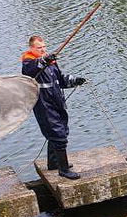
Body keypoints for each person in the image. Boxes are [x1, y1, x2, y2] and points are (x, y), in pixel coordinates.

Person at [21, 35, 86, 180]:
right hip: (44, 105)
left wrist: (75, 81)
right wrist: (44, 60)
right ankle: (63, 170)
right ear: (31, 48)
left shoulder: (50, 62)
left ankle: (54, 163)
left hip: (57, 102)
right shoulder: (28, 63)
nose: (43, 50)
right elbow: (30, 70)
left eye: (44, 47)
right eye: (39, 48)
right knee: (58, 135)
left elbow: (60, 80)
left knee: (60, 131)